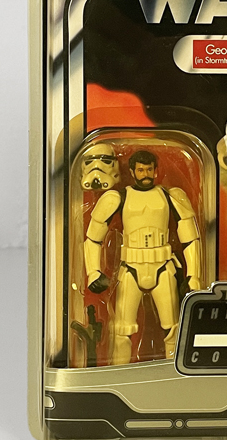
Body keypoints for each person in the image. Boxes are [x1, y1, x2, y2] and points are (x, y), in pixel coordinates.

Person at [84, 149, 202, 365]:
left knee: (173, 328)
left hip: (163, 267)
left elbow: (190, 239)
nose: (145, 174)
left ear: (155, 171)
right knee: (122, 330)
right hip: (131, 268)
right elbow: (93, 238)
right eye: (140, 170)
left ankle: (174, 372)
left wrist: (193, 276)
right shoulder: (118, 198)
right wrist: (93, 272)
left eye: (149, 169)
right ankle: (118, 373)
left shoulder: (171, 196)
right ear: (132, 172)